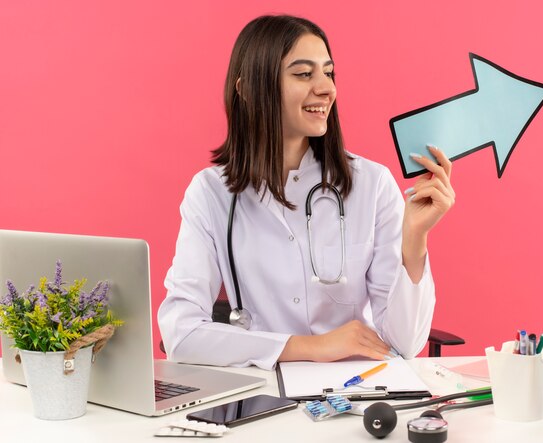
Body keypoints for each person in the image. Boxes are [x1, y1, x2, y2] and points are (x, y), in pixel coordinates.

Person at [158, 15, 455, 370]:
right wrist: (312, 347)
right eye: (303, 74)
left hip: (356, 392)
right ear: (249, 90)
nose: (326, 88)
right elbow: (181, 334)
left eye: (328, 73)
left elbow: (406, 343)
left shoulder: (372, 184)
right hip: (264, 397)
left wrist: (415, 239)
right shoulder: (211, 194)